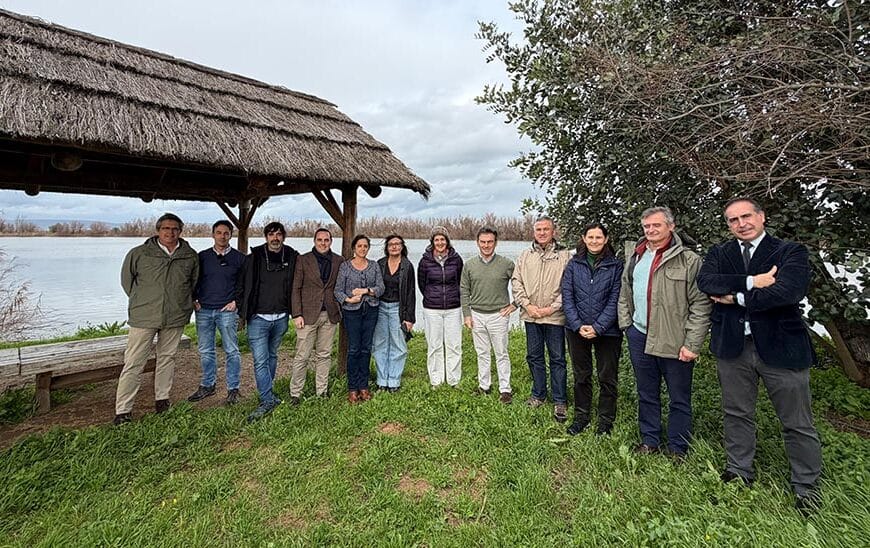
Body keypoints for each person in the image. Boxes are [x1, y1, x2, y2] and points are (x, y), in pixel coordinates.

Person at [696, 197, 822, 512]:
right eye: (733, 220)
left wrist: (736, 295)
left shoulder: (789, 251)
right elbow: (706, 282)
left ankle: (806, 487)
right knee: (737, 413)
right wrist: (755, 282)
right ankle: (739, 471)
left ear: (761, 217)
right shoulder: (719, 253)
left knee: (797, 421)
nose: (741, 223)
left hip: (781, 347)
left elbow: (788, 291)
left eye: (746, 216)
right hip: (733, 347)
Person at [617, 206, 711, 458]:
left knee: (679, 397)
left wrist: (692, 343)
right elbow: (625, 292)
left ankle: (678, 447)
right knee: (647, 393)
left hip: (675, 339)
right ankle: (650, 440)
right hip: (639, 336)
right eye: (646, 226)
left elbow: (701, 304)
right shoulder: (636, 256)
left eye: (656, 225)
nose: (650, 230)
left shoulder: (689, 260)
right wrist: (627, 325)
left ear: (671, 226)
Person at [114, 213, 198, 425]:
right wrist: (143, 301)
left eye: (174, 229)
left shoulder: (189, 256)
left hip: (175, 315)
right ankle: (123, 410)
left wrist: (182, 304)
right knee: (133, 362)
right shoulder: (139, 254)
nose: (170, 233)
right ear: (158, 230)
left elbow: (193, 284)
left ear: (181, 231)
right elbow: (127, 282)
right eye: (166, 229)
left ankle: (162, 400)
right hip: (144, 316)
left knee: (167, 359)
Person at [561, 222, 623, 435]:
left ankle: (605, 420)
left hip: (608, 332)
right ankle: (581, 416)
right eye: (591, 237)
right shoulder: (573, 264)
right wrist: (578, 325)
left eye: (599, 237)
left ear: (606, 240)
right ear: (584, 239)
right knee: (581, 375)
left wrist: (598, 326)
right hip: (576, 330)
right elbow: (567, 296)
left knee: (607, 376)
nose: (594, 241)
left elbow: (616, 298)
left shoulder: (616, 266)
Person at [511, 216, 572, 422]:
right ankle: (538, 394)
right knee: (534, 357)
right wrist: (528, 305)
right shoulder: (525, 255)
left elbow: (568, 287)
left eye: (546, 229)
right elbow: (516, 282)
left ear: (553, 232)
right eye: (539, 229)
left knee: (557, 359)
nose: (542, 233)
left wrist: (550, 309)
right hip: (531, 316)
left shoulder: (564, 257)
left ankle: (560, 400)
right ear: (533, 232)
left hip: (554, 318)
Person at [238, 221, 298, 422]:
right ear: (266, 237)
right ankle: (266, 399)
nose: (275, 238)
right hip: (258, 319)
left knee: (272, 356)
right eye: (271, 234)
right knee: (260, 360)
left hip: (280, 317)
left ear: (283, 237)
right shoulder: (254, 258)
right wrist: (241, 310)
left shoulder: (291, 256)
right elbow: (241, 284)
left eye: (279, 234)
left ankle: (268, 392)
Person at [188, 220, 246, 406]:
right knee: (206, 350)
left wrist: (236, 302)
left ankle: (233, 388)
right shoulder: (202, 257)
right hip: (204, 309)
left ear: (231, 235)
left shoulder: (239, 258)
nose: (222, 236)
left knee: (232, 350)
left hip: (227, 310)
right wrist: (193, 299)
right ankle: (208, 384)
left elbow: (245, 284)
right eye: (219, 232)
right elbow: (192, 280)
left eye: (226, 233)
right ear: (213, 234)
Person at [460, 227, 516, 403]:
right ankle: (484, 386)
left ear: (495, 242)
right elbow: (464, 289)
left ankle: (505, 389)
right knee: (482, 352)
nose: (486, 245)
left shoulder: (506, 264)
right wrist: (467, 314)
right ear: (477, 243)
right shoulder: (469, 265)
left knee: (501, 352)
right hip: (477, 314)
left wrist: (515, 304)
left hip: (498, 315)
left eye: (490, 241)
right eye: (483, 242)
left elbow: (520, 284)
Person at [289, 228, 344, 403]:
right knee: (302, 356)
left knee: (324, 355)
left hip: (329, 315)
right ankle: (295, 393)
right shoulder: (303, 260)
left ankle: (322, 391)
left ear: (331, 241)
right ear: (314, 241)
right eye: (319, 240)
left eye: (326, 240)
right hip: (307, 315)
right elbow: (296, 288)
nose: (323, 243)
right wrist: (296, 314)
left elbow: (340, 287)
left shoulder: (338, 261)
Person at [334, 234, 384, 403]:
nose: (362, 249)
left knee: (366, 348)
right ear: (353, 248)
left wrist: (366, 291)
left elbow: (381, 288)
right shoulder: (345, 267)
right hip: (352, 312)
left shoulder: (374, 266)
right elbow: (338, 291)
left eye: (365, 246)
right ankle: (352, 388)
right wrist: (348, 299)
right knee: (354, 349)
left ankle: (364, 386)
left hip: (371, 311)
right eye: (359, 246)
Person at [417, 226, 464, 388]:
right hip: (432, 308)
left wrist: (454, 297)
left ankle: (454, 380)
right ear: (432, 242)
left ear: (447, 241)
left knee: (454, 345)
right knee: (434, 344)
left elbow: (460, 282)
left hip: (453, 308)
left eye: (442, 239)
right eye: (436, 239)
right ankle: (436, 380)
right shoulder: (425, 261)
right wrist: (432, 296)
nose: (440, 242)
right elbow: (422, 284)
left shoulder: (456, 259)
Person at [373, 234, 416, 392]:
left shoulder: (407, 266)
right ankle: (381, 380)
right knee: (380, 344)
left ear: (402, 246)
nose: (394, 247)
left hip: (399, 309)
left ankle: (394, 381)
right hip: (381, 308)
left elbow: (411, 292)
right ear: (387, 247)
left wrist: (409, 318)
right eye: (391, 244)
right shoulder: (380, 264)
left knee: (399, 345)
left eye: (397, 244)